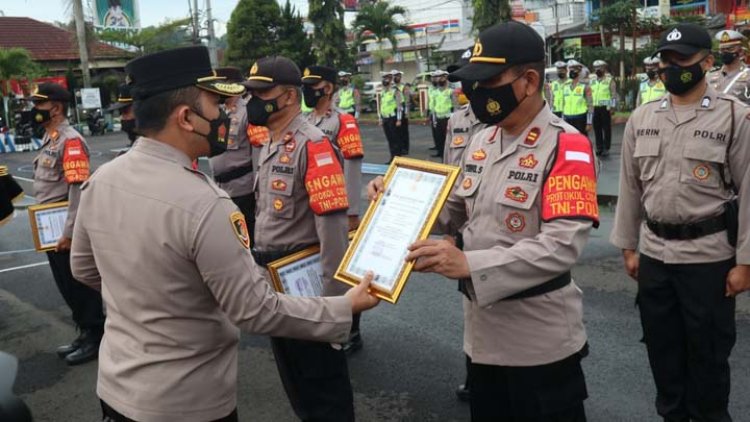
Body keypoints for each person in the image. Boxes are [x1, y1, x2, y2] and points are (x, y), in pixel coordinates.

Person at [70, 46, 379, 422]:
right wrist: (344, 307)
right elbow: (252, 310)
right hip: (186, 399)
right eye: (215, 104)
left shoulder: (102, 180)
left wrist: (146, 297)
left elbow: (84, 269)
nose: (226, 115)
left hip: (117, 388)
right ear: (186, 118)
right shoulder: (205, 204)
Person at [370, 21, 598, 421]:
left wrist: (468, 264)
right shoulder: (482, 141)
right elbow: (451, 210)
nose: (475, 91)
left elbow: (561, 246)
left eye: (488, 80)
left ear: (528, 81)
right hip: (482, 338)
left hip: (539, 343)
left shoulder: (568, 146)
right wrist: (395, 198)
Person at [611, 23, 750, 422]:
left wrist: (745, 262)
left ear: (707, 62)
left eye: (681, 59)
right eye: (665, 59)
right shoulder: (643, 117)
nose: (670, 66)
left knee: (707, 356)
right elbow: (630, 187)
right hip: (655, 255)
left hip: (708, 257)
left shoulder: (735, 118)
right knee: (663, 352)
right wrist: (627, 246)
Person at [245, 55, 359, 421]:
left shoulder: (313, 144)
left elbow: (333, 233)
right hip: (275, 284)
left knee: (324, 391)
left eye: (263, 92)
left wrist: (334, 308)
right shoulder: (271, 141)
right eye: (251, 92)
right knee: (298, 386)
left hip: (307, 289)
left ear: (290, 97)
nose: (254, 100)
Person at [29, 82, 105, 366]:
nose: (33, 111)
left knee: (78, 284)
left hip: (64, 227)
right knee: (65, 283)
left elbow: (77, 190)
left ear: (56, 108)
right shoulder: (51, 139)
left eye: (38, 105)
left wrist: (70, 232)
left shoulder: (70, 140)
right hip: (51, 226)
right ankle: (86, 331)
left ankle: (96, 334)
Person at [443, 48, 487, 404]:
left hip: (497, 225)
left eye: (468, 76)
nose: (464, 85)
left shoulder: (501, 118)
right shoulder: (457, 120)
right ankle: (475, 374)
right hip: (463, 225)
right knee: (471, 306)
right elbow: (446, 175)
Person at [208, 66, 257, 242]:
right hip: (221, 188)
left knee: (247, 238)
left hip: (244, 189)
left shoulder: (248, 113)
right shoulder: (218, 113)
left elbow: (258, 153)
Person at [707, 29, 750, 104]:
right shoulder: (710, 75)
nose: (725, 52)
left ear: (740, 52)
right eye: (722, 50)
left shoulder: (748, 76)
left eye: (730, 49)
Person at [590, 59, 617, 157]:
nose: (598, 70)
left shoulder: (609, 80)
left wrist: (613, 107)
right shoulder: (592, 81)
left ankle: (606, 147)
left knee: (606, 128)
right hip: (595, 107)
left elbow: (613, 94)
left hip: (605, 107)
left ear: (604, 69)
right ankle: (599, 147)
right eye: (596, 68)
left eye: (600, 68)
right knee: (597, 128)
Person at [428, 70, 457, 158]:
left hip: (447, 118)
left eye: (441, 77)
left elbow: (455, 105)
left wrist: (454, 118)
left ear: (446, 78)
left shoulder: (451, 91)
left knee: (448, 138)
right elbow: (433, 105)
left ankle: (450, 156)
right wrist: (433, 117)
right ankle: (441, 155)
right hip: (437, 117)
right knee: (439, 138)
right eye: (437, 77)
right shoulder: (435, 92)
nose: (438, 79)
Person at [377, 71, 403, 164]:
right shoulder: (383, 92)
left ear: (391, 79)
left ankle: (397, 157)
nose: (385, 80)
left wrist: (399, 119)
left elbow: (399, 106)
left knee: (395, 139)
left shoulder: (395, 91)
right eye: (384, 78)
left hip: (393, 117)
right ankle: (392, 157)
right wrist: (380, 118)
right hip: (385, 118)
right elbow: (380, 105)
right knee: (390, 139)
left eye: (387, 78)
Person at [562, 59, 593, 135]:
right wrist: (562, 119)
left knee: (581, 141)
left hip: (580, 118)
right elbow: (563, 104)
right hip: (567, 118)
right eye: (570, 70)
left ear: (579, 72)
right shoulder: (565, 86)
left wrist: (589, 122)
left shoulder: (585, 87)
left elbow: (590, 105)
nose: (572, 72)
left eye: (574, 70)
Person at [392, 69, 410, 155]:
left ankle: (405, 148)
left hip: (402, 109)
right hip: (394, 110)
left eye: (397, 76)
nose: (396, 77)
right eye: (394, 76)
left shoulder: (404, 87)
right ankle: (399, 147)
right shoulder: (391, 87)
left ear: (400, 77)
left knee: (404, 131)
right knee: (396, 131)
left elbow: (407, 101)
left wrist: (407, 112)